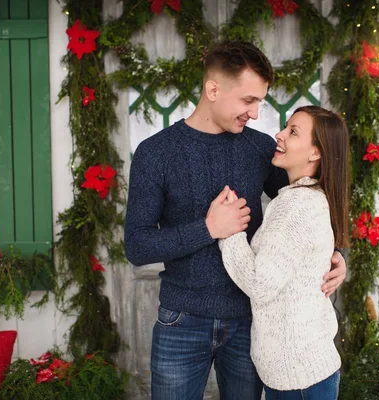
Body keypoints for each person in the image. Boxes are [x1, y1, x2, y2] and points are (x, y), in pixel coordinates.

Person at [123, 40, 347, 400]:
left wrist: (335, 255)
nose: (256, 113)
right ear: (213, 89)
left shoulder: (259, 149)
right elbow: (137, 246)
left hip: (250, 324)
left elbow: (309, 203)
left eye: (259, 101)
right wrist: (208, 229)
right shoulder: (155, 153)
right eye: (249, 101)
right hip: (181, 320)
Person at [219, 106, 349, 399]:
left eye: (293, 132)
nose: (279, 134)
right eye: (285, 127)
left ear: (315, 152)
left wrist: (229, 231)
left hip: (299, 377)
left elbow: (260, 284)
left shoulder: (296, 205)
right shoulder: (306, 198)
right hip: (301, 372)